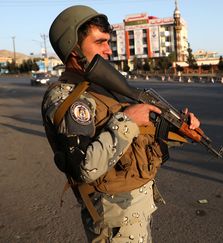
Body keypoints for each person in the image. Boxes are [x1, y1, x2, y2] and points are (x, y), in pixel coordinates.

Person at [41, 5, 200, 242]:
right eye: (100, 42)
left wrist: (179, 127)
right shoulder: (68, 98)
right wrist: (127, 120)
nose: (108, 49)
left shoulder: (102, 88)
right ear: (73, 49)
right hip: (113, 220)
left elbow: (138, 135)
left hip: (135, 209)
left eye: (108, 41)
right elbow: (84, 168)